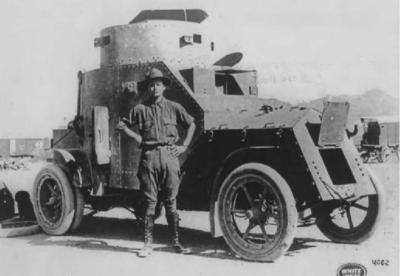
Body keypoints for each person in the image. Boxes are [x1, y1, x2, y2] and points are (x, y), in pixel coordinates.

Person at [117, 68, 196, 257]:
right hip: (149, 157)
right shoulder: (140, 109)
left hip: (169, 156)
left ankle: (176, 242)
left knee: (171, 202)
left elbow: (192, 123)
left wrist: (184, 145)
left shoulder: (174, 107)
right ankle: (147, 244)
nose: (154, 88)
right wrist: (138, 139)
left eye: (158, 84)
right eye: (151, 85)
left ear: (164, 87)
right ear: (147, 88)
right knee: (150, 203)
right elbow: (121, 125)